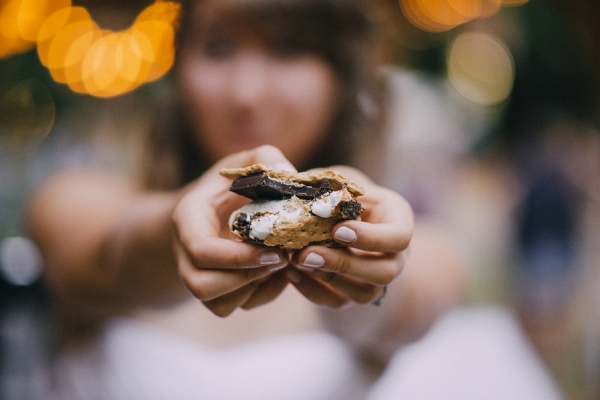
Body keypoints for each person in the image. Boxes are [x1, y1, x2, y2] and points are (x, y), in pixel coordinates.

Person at [26, 0, 562, 398]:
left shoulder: (420, 241)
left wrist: (360, 267)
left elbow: (406, 299)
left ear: (342, 74)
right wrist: (178, 226)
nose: (247, 93)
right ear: (179, 62)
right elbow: (110, 256)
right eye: (218, 47)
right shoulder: (77, 200)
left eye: (288, 49)